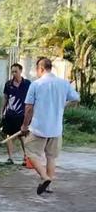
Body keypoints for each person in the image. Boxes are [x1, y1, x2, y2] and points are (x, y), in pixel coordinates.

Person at [21, 58, 80, 195]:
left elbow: (28, 108)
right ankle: (49, 186)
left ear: (40, 69)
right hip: (56, 128)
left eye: (37, 70)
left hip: (38, 127)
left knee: (30, 152)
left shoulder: (36, 84)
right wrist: (62, 105)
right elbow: (76, 98)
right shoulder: (64, 84)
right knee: (51, 157)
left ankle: (44, 177)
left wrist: (24, 125)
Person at [0, 63, 31, 165]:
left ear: (20, 71)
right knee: (8, 136)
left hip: (22, 115)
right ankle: (10, 158)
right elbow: (5, 98)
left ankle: (26, 157)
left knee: (22, 136)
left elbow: (32, 99)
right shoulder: (8, 84)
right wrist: (1, 112)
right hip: (9, 115)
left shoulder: (27, 84)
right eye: (12, 71)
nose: (14, 73)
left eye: (15, 71)